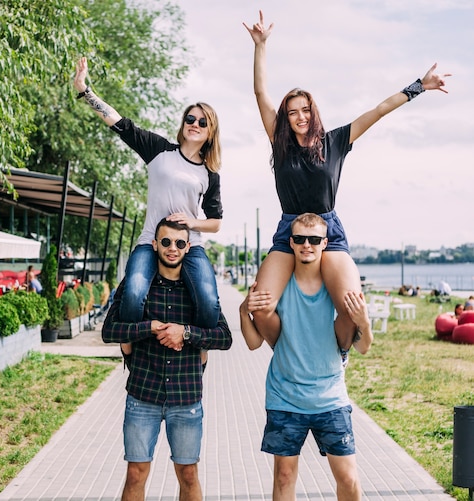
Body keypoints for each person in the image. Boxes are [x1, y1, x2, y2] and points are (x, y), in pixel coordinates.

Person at [243, 10, 451, 347]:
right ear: (286, 116)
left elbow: (380, 109)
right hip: (289, 231)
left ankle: (339, 353)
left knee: (351, 308)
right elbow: (260, 93)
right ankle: (287, 352)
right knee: (262, 305)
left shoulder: (336, 141)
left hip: (329, 231)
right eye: (293, 111)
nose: (299, 116)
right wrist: (260, 46)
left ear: (314, 113)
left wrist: (420, 87)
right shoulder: (279, 142)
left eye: (305, 110)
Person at [73, 57, 223, 331]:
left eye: (202, 122)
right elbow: (119, 123)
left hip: (189, 245)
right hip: (150, 240)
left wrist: (192, 223)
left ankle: (199, 353)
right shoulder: (159, 151)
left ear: (210, 131)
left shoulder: (210, 173)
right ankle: (129, 347)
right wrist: (85, 90)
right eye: (190, 118)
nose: (195, 124)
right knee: (132, 294)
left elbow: (215, 222)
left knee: (209, 301)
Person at [238, 213, 373, 501]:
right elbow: (252, 343)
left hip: (330, 397)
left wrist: (364, 321)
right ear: (291, 242)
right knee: (284, 478)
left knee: (348, 478)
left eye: (314, 240)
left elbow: (363, 348)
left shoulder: (337, 289)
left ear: (326, 243)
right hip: (285, 396)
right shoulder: (278, 286)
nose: (306, 245)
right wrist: (242, 310)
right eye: (299, 239)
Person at [102, 218, 232, 501]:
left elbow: (225, 337)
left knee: (188, 475)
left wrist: (185, 333)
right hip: (142, 395)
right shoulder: (137, 285)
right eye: (166, 242)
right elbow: (109, 330)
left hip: (186, 399)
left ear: (187, 248)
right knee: (136, 472)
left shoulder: (199, 289)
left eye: (179, 243)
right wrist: (148, 327)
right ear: (154, 244)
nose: (172, 248)